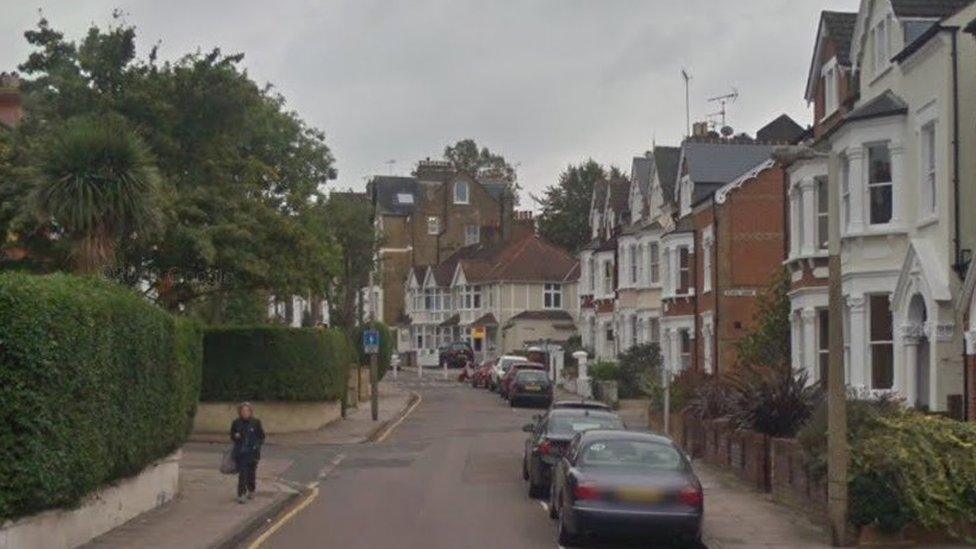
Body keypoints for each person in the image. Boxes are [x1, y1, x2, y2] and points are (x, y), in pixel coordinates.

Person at [230, 402, 265, 504]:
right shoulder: (236, 422)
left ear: (250, 412)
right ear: (240, 412)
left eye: (247, 411)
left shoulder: (256, 422)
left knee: (251, 473)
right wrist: (235, 436)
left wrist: (257, 445)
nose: (245, 412)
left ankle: (251, 489)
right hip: (241, 453)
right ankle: (241, 494)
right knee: (242, 474)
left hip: (253, 453)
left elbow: (261, 436)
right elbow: (232, 435)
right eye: (243, 411)